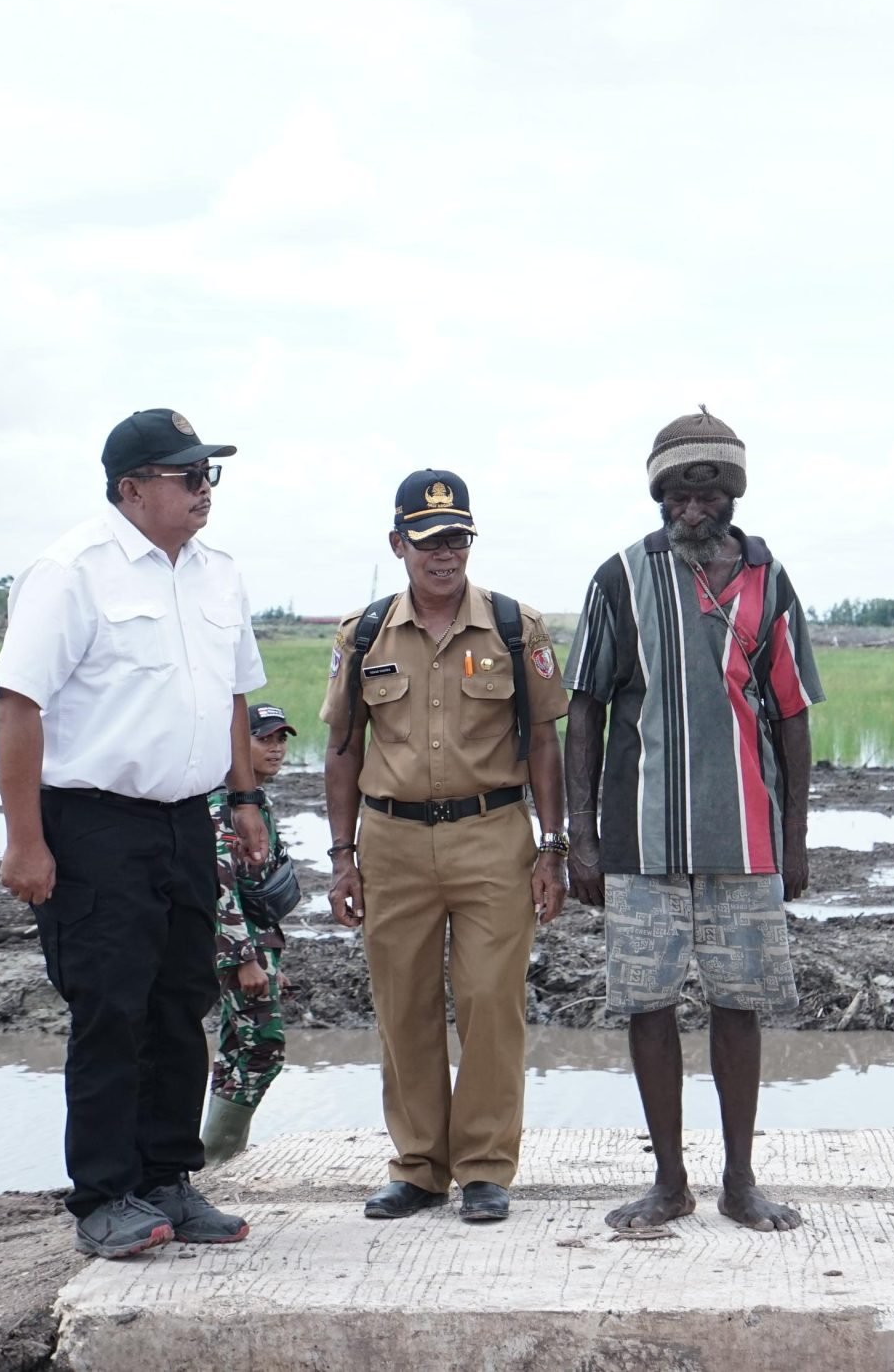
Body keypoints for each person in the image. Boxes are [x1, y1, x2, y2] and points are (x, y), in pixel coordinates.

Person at [0, 408, 271, 1260]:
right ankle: (104, 1192)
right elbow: (18, 704)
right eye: (188, 476)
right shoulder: (72, 571)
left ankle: (167, 1178)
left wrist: (246, 798)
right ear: (131, 487)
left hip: (187, 820)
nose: (204, 490)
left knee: (183, 1001)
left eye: (208, 474)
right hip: (94, 823)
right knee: (111, 1009)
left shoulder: (218, 574)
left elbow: (232, 696)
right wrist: (24, 839)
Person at [565, 408, 821, 1234]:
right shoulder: (618, 578)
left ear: (733, 490)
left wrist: (795, 836)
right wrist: (580, 835)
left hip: (745, 839)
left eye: (707, 483)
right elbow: (584, 710)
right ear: (657, 492)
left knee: (739, 1005)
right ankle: (668, 1181)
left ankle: (740, 1181)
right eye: (676, 485)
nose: (690, 500)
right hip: (639, 841)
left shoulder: (769, 578)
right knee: (648, 1005)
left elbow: (791, 713)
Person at [320, 471, 568, 1225]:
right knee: (404, 1005)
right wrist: (341, 855)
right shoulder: (362, 634)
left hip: (493, 836)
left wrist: (552, 846)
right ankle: (419, 1166)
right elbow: (340, 747)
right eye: (427, 541)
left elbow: (545, 742)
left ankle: (486, 1167)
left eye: (456, 538)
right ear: (398, 544)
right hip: (391, 840)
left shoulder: (514, 625)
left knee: (492, 1001)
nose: (443, 554)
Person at [200, 702, 304, 1167]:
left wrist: (269, 959)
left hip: (252, 947)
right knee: (263, 1050)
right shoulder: (224, 805)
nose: (277, 749)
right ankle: (216, 1158)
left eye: (281, 739)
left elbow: (255, 890)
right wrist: (245, 960)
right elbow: (220, 887)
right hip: (233, 951)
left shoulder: (256, 801)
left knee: (232, 1052)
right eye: (264, 739)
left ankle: (211, 1160)